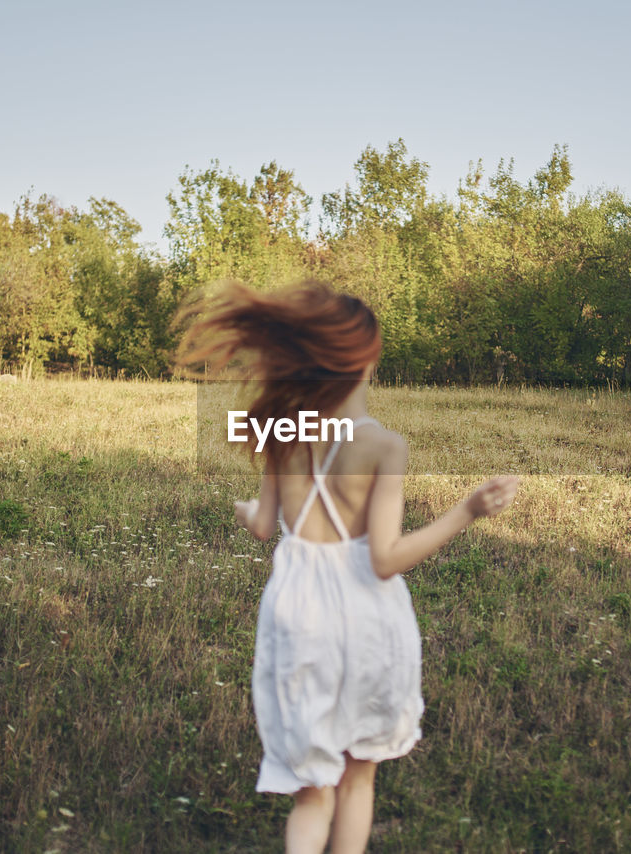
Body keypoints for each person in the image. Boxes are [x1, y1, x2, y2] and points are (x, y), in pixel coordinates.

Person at [177, 279, 519, 853]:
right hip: (362, 615)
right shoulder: (384, 446)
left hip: (296, 610)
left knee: (313, 787)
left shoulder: (279, 432)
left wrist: (240, 507)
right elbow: (385, 560)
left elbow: (263, 524)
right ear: (365, 363)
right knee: (358, 776)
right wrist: (467, 510)